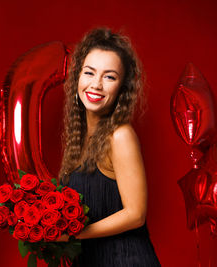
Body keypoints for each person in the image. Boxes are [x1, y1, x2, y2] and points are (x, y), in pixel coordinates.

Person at [58, 27, 161, 266]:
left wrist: (73, 235)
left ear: (122, 89)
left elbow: (136, 214)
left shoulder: (120, 136)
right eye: (89, 73)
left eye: (109, 77)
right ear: (77, 78)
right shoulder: (79, 138)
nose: (96, 85)